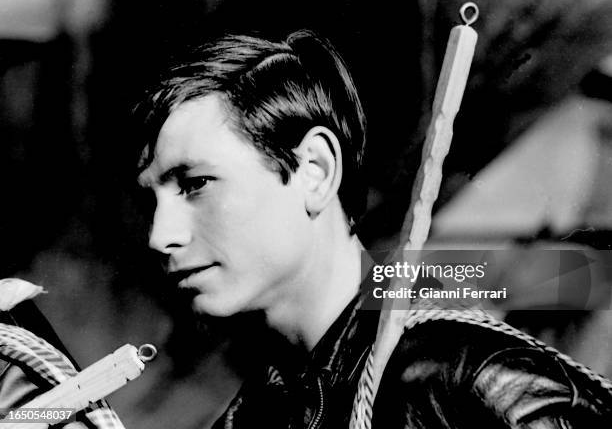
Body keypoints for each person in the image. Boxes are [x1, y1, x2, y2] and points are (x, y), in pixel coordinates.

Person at [134, 30, 612, 428]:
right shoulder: (256, 416)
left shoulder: (465, 381)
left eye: (196, 183)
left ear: (315, 171)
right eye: (149, 198)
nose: (160, 235)